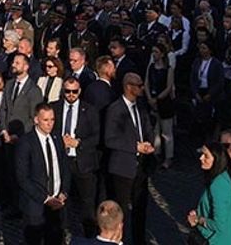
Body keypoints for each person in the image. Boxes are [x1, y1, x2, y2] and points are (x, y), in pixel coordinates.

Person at [103, 72, 156, 245]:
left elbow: (147, 127)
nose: (142, 88)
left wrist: (148, 143)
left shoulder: (140, 106)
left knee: (141, 208)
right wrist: (135, 147)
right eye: (139, 85)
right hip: (122, 168)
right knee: (121, 210)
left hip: (141, 166)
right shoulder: (115, 109)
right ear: (128, 87)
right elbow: (110, 138)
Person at [16, 102, 72, 245]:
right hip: (35, 205)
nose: (49, 124)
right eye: (45, 120)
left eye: (52, 119)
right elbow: (22, 177)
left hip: (58, 204)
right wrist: (46, 199)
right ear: (36, 120)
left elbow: (64, 166)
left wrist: (64, 192)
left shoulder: (57, 138)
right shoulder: (26, 142)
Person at [59, 76, 101, 238]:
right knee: (61, 200)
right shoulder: (55, 108)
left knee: (87, 202)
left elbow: (96, 137)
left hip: (83, 162)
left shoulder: (89, 110)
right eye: (68, 91)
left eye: (74, 91)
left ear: (80, 91)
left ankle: (89, 235)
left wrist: (78, 143)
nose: (71, 94)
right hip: (62, 161)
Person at [186, 141, 231, 245]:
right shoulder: (222, 177)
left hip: (216, 241)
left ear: (216, 159)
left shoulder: (218, 185)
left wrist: (197, 219)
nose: (201, 158)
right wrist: (199, 212)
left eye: (206, 156)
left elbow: (218, 225)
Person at [144, 41, 175, 169]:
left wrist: (157, 99)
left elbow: (168, 87)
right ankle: (156, 153)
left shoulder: (168, 69)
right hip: (152, 100)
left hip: (164, 103)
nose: (154, 54)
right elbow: (146, 82)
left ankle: (168, 157)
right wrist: (149, 98)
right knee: (155, 130)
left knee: (166, 132)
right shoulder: (151, 67)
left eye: (156, 52)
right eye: (153, 52)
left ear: (162, 54)